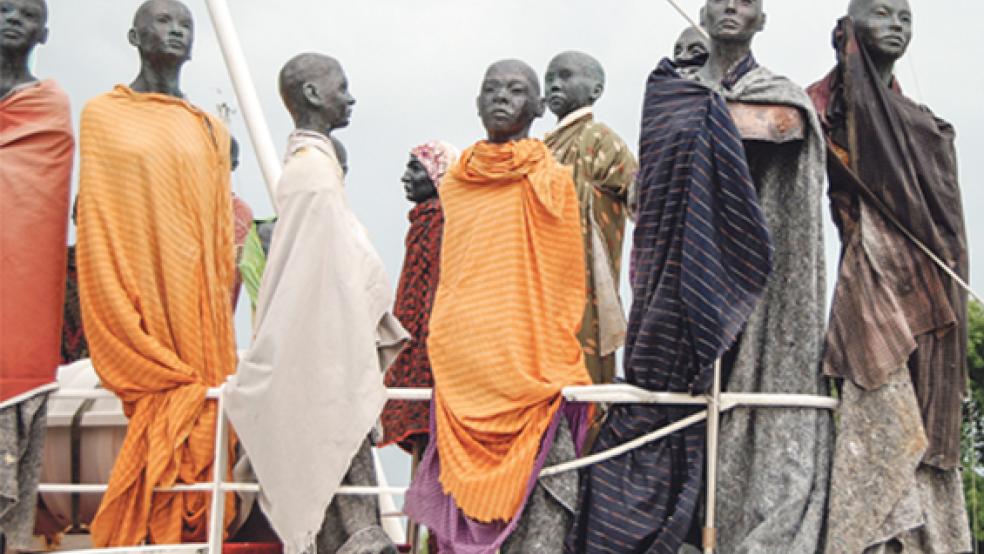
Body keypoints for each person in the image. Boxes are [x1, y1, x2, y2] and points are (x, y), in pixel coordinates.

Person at [404, 59, 591, 554]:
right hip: (463, 370)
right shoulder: (458, 183)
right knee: (453, 516)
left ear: (536, 107)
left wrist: (545, 353)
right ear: (476, 101)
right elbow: (455, 275)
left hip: (527, 371)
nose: (501, 98)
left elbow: (566, 282)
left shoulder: (551, 180)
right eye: (491, 89)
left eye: (515, 90)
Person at [225, 53, 407, 554]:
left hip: (331, 356)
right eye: (341, 86)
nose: (350, 97)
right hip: (327, 361)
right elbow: (327, 284)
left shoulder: (314, 171)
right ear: (310, 94)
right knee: (343, 502)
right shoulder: (314, 177)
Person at [807, 1, 971, 552]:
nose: (897, 24)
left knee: (925, 425)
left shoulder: (921, 122)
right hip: (872, 276)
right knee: (880, 408)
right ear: (852, 27)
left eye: (905, 16)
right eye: (881, 13)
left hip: (935, 284)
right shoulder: (823, 107)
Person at [76, 0, 239, 545]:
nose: (176, 31)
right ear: (133, 35)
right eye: (164, 21)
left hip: (199, 313)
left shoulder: (209, 128)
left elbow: (220, 241)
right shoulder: (102, 114)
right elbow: (99, 220)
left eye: (185, 24)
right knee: (160, 396)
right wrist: (123, 313)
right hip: (138, 302)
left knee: (203, 420)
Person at [0, 0, 73, 550]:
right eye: (4, 9)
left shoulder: (48, 108)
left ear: (44, 31)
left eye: (26, 13)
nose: (12, 20)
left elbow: (36, 201)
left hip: (18, 310)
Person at [543, 51, 637, 389]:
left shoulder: (598, 139)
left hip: (582, 283)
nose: (554, 84)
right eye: (550, 77)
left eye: (566, 76)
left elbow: (641, 197)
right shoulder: (538, 148)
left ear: (596, 89)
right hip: (540, 279)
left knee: (583, 372)